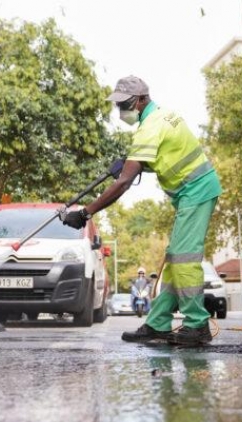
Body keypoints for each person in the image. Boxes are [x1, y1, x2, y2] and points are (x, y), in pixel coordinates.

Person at [62, 76, 222, 346]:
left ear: (140, 100)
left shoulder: (148, 128)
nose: (120, 111)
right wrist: (133, 162)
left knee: (184, 259)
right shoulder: (163, 116)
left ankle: (197, 325)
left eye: (124, 104)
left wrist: (86, 213)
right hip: (192, 193)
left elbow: (124, 182)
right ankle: (158, 323)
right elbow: (164, 154)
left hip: (197, 191)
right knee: (175, 260)